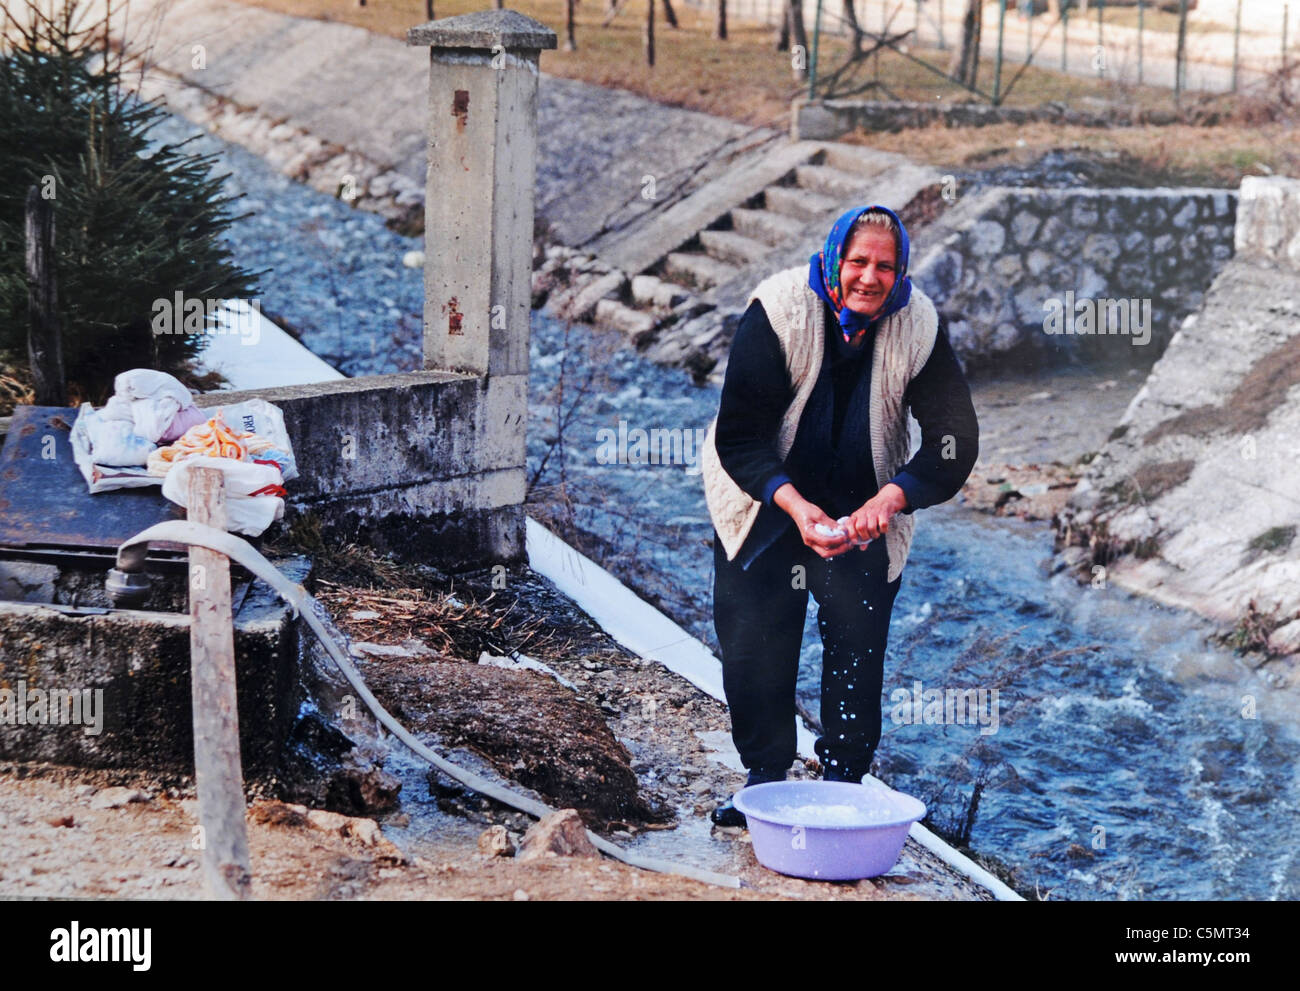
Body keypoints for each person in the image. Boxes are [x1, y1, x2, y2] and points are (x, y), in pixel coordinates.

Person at [699, 204, 979, 827]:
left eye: (886, 265)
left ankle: (843, 787)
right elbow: (740, 438)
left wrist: (893, 498)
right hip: (766, 495)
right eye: (858, 262)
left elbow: (954, 442)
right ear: (834, 259)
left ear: (901, 270)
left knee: (857, 644)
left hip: (864, 506)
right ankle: (766, 780)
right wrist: (797, 509)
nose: (870, 278)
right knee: (755, 641)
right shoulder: (778, 310)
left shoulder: (919, 323)